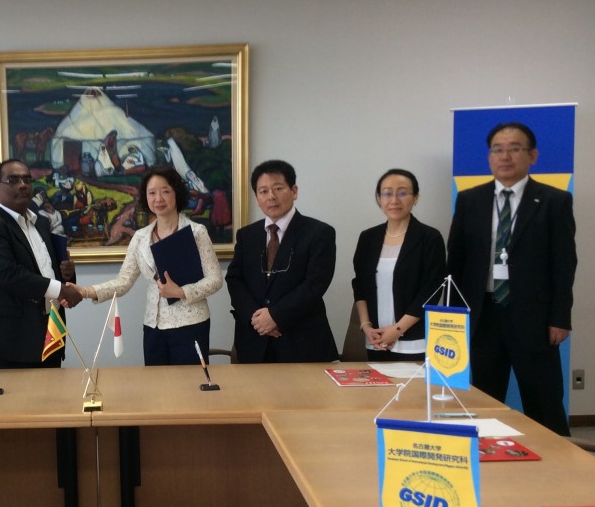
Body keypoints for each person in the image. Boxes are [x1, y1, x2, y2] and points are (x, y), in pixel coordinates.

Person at [447, 122, 576, 435]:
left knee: (544, 401)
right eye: (497, 149)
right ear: (489, 157)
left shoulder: (553, 200)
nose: (505, 156)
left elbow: (563, 263)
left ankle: (556, 458)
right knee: (483, 399)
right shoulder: (469, 200)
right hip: (483, 314)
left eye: (514, 148)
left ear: (532, 156)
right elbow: (456, 261)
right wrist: (452, 316)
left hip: (534, 317)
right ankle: (486, 455)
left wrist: (560, 317)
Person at [70, 166, 223, 365]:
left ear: (177, 193)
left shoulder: (196, 232)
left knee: (190, 383)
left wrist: (181, 292)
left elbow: (215, 279)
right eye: (152, 193)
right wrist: (85, 291)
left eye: (165, 191)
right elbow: (123, 282)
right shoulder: (140, 237)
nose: (158, 198)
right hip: (153, 327)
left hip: (191, 324)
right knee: (155, 383)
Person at [0, 159, 81, 369]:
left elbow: (47, 270)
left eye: (27, 180)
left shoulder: (41, 223)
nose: (22, 185)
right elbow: (8, 274)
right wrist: (60, 289)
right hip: (10, 342)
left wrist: (67, 274)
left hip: (50, 332)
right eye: (13, 180)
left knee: (55, 391)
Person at [226, 160, 338, 363]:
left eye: (278, 188)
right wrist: (257, 319)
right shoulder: (247, 235)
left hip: (301, 342)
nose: (271, 196)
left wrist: (275, 316)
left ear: (294, 191)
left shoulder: (319, 233)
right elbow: (234, 279)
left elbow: (315, 284)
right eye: (263, 191)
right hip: (254, 341)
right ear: (257, 198)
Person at [351, 169, 446, 362]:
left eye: (402, 193)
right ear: (379, 199)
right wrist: (366, 326)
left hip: (414, 341)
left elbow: (431, 291)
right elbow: (359, 286)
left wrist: (397, 330)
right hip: (376, 338)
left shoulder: (429, 238)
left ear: (415, 197)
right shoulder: (368, 238)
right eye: (387, 193)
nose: (394, 200)